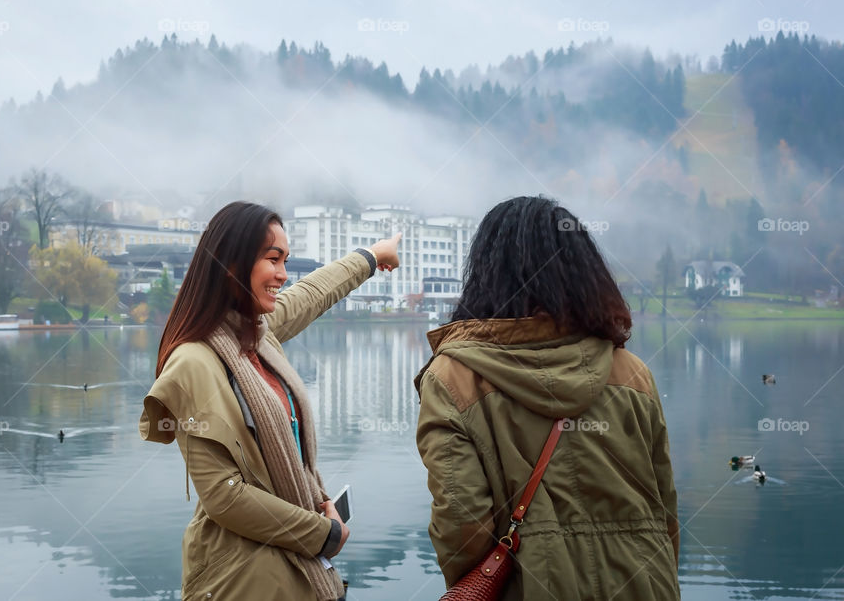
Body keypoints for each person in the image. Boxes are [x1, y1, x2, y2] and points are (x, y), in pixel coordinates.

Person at [415, 196, 679, 600]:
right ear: (585, 272)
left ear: (485, 272)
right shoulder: (632, 373)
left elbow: (461, 523)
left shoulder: (455, 378)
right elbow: (664, 504)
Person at [140, 201, 400, 601]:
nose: (282, 274)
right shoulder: (192, 363)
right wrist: (323, 534)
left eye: (286, 260)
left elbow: (313, 293)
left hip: (298, 568)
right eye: (272, 259)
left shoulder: (256, 332)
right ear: (231, 264)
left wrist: (372, 256)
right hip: (242, 581)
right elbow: (225, 496)